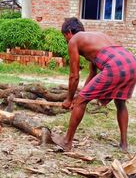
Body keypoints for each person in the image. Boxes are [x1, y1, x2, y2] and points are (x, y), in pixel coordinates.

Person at [52, 17, 136, 152]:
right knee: (120, 103)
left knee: (81, 101)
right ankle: (124, 145)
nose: (66, 40)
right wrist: (80, 95)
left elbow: (74, 76)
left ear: (68, 32)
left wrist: (70, 99)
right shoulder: (95, 38)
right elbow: (92, 73)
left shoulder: (74, 40)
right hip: (131, 62)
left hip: (114, 64)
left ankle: (66, 142)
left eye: (65, 37)